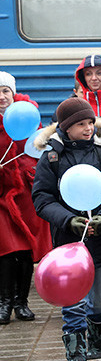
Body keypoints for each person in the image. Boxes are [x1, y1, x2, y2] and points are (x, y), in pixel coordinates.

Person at [31, 97, 101, 361]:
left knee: (99, 302)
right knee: (73, 302)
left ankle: (97, 342)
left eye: (89, 122)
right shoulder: (52, 157)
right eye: (80, 124)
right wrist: (67, 219)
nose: (87, 128)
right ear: (66, 128)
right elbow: (42, 198)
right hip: (68, 245)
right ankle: (76, 356)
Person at [0, 72, 51, 324]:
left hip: (27, 195)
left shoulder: (27, 116)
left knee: (25, 252)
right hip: (2, 196)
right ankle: (4, 302)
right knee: (7, 249)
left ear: (13, 93)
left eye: (5, 91)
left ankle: (22, 302)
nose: (1, 97)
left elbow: (38, 150)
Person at [75, 55, 101, 120]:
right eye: (88, 74)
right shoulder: (75, 107)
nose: (94, 78)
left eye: (99, 73)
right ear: (83, 78)